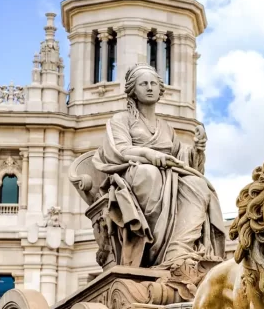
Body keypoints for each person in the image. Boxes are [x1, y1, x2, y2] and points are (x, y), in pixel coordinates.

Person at [93, 64, 226, 273]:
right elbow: (119, 150)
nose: (149, 87)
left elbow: (183, 158)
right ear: (133, 90)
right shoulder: (120, 120)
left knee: (198, 184)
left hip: (169, 176)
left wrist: (198, 149)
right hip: (134, 174)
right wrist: (149, 155)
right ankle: (153, 250)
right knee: (150, 174)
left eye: (154, 83)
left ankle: (177, 250)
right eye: (143, 83)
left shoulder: (166, 127)